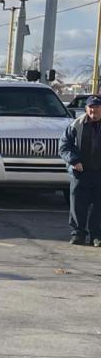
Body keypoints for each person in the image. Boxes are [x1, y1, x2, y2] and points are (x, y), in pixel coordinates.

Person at [60, 94, 101, 245]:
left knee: (99, 207)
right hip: (80, 172)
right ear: (86, 109)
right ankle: (78, 234)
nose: (93, 111)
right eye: (91, 107)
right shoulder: (75, 125)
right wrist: (74, 161)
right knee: (78, 205)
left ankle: (97, 236)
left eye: (97, 107)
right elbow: (64, 146)